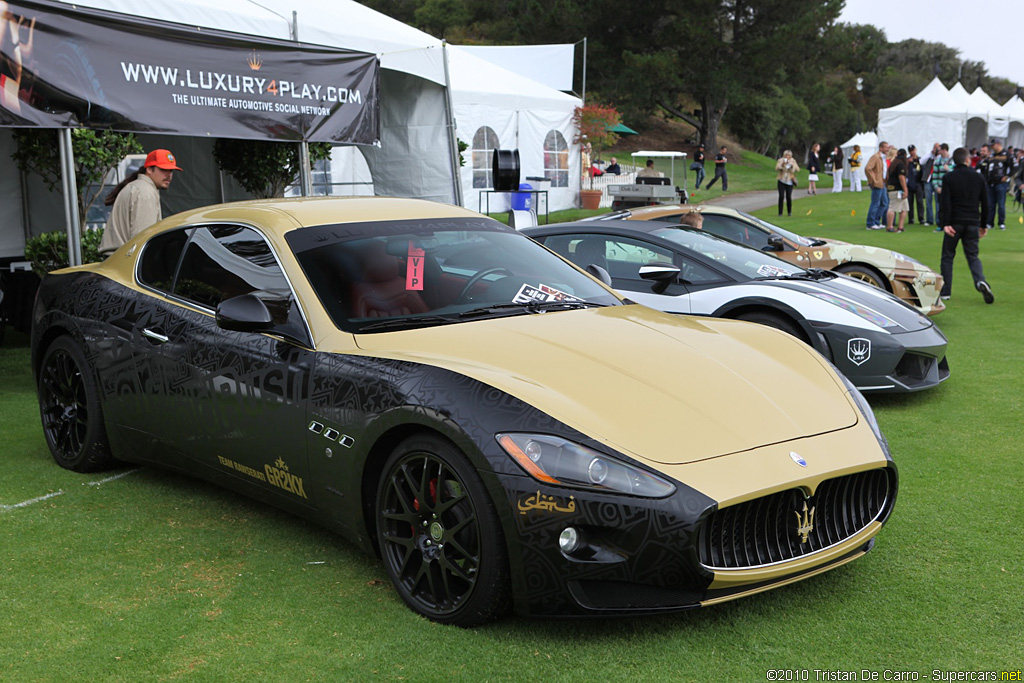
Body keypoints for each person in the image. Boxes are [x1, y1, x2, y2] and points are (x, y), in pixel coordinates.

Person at [98, 149, 182, 257]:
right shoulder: (145, 193)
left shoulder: (139, 187)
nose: (169, 175)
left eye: (171, 170)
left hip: (118, 260)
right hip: (125, 262)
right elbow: (143, 241)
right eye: (163, 169)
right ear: (149, 169)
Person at [938, 147, 993, 303]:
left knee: (948, 256)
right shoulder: (978, 177)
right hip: (972, 222)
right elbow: (985, 203)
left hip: (954, 223)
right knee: (973, 256)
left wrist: (945, 223)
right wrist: (983, 224)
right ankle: (980, 280)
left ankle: (946, 291)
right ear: (968, 159)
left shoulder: (949, 177)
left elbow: (945, 202)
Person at [980, 140, 1011, 229]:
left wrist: (1007, 177)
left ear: (998, 145)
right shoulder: (992, 156)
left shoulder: (1006, 154)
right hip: (990, 183)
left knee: (1001, 204)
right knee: (990, 204)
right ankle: (990, 223)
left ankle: (1001, 222)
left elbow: (1014, 167)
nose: (992, 148)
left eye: (993, 146)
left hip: (1001, 183)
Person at [863, 141, 890, 229]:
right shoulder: (875, 157)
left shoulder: (883, 158)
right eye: (886, 147)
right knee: (875, 203)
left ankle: (877, 221)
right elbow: (868, 168)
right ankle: (870, 223)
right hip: (878, 183)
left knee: (884, 203)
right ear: (881, 148)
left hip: (883, 183)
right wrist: (873, 180)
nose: (887, 149)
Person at [930, 144, 954, 232]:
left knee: (950, 206)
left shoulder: (952, 160)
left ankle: (950, 224)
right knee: (941, 207)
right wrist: (936, 187)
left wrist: (948, 169)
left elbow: (956, 173)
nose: (938, 152)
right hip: (940, 188)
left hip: (951, 188)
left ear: (944, 150)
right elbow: (934, 175)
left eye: (939, 150)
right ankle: (941, 224)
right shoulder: (938, 160)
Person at [885, 148, 909, 232]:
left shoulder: (893, 163)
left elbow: (887, 176)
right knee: (893, 208)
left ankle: (900, 226)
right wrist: (905, 190)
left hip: (891, 188)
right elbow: (901, 177)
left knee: (903, 208)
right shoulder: (901, 164)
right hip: (898, 189)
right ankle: (890, 226)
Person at [775, 150, 800, 216]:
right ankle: (780, 213)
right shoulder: (781, 160)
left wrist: (792, 166)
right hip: (781, 180)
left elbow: (797, 169)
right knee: (781, 196)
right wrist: (782, 165)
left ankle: (789, 212)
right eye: (786, 155)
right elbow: (776, 168)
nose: (787, 156)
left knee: (788, 197)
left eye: (788, 155)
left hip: (789, 181)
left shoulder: (793, 161)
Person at [906, 145, 924, 225]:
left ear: (915, 150)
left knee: (919, 201)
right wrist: (907, 162)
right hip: (910, 182)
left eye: (913, 150)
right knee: (910, 201)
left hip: (918, 182)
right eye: (910, 151)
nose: (912, 152)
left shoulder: (920, 159)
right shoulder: (907, 160)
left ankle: (921, 218)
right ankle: (911, 218)